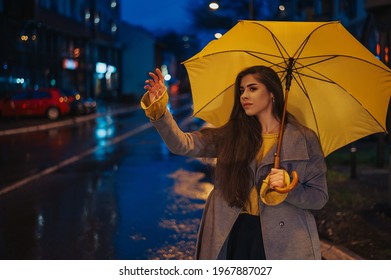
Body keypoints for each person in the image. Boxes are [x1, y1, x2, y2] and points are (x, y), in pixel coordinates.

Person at [141, 65, 328, 260]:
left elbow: (319, 197)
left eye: (252, 89)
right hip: (235, 232)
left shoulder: (304, 139)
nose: (244, 96)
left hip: (283, 241)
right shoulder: (231, 134)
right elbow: (183, 144)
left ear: (272, 93)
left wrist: (289, 189)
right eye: (241, 90)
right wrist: (160, 111)